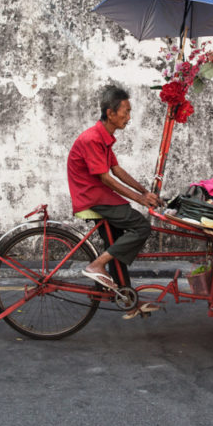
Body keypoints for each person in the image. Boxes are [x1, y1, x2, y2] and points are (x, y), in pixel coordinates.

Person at [67, 85, 162, 318]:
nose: (128, 117)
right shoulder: (92, 138)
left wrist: (144, 192)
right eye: (126, 112)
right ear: (110, 113)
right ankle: (96, 266)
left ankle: (127, 298)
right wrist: (140, 199)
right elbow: (106, 178)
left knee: (118, 243)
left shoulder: (104, 136)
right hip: (93, 196)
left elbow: (117, 170)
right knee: (141, 226)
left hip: (100, 193)